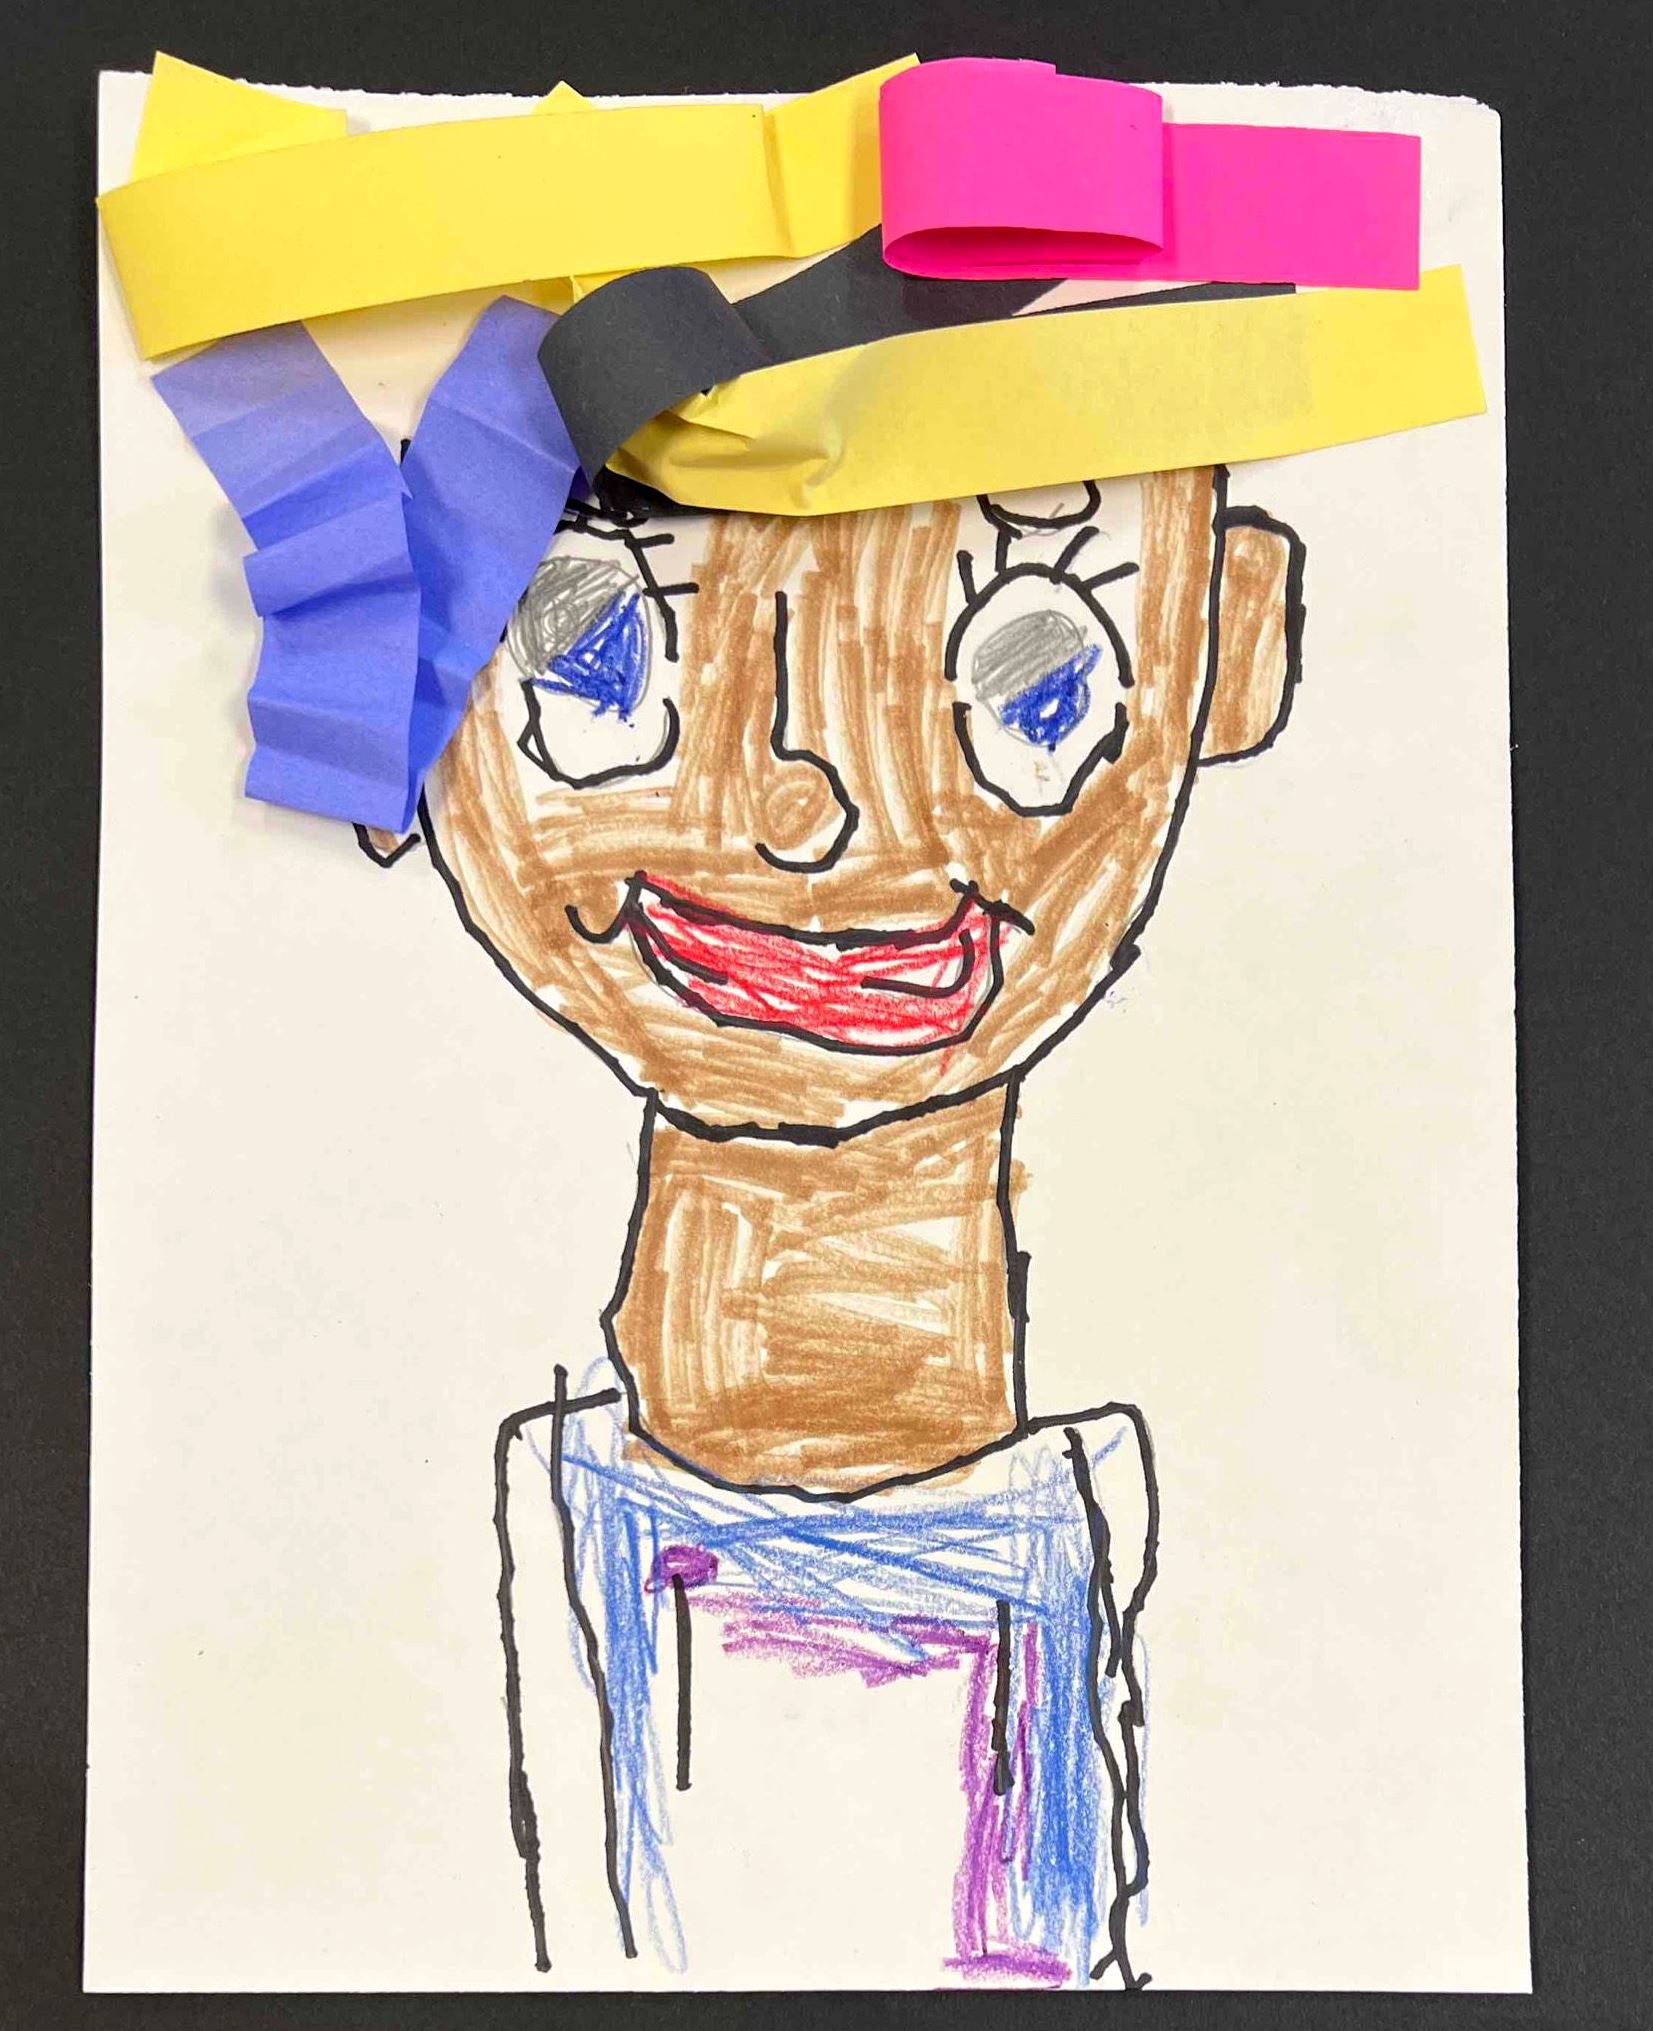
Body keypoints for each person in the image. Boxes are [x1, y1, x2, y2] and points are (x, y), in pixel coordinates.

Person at [364, 459, 1304, 1987]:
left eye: (1038, 681)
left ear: (1228, 647)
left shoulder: (1294, 1665)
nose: (807, 805)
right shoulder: (354, 1671)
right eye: (595, 645)